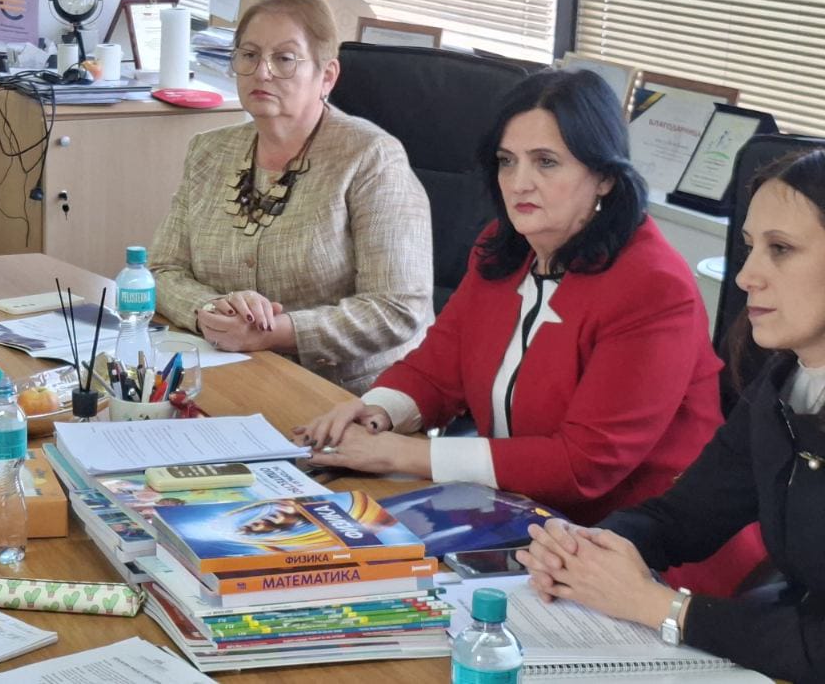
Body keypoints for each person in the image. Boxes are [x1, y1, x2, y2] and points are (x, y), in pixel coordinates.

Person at [298, 69, 725, 527]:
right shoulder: (503, 247)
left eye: (546, 162)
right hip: (519, 511)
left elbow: (583, 464)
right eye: (507, 161)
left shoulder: (654, 289)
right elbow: (439, 367)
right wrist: (377, 411)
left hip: (634, 537)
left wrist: (402, 454)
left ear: (603, 176)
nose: (519, 183)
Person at [519, 149, 825, 681]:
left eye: (780, 249)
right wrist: (584, 550)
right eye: (750, 247)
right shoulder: (783, 382)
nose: (746, 276)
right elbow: (684, 516)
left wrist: (660, 607)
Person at [150, 0, 433, 391]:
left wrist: (276, 331)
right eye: (249, 55)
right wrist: (209, 310)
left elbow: (397, 308)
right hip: (235, 372)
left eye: (284, 59)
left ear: (327, 77)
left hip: (351, 393)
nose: (262, 72)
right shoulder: (208, 151)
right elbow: (162, 271)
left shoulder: (371, 158)